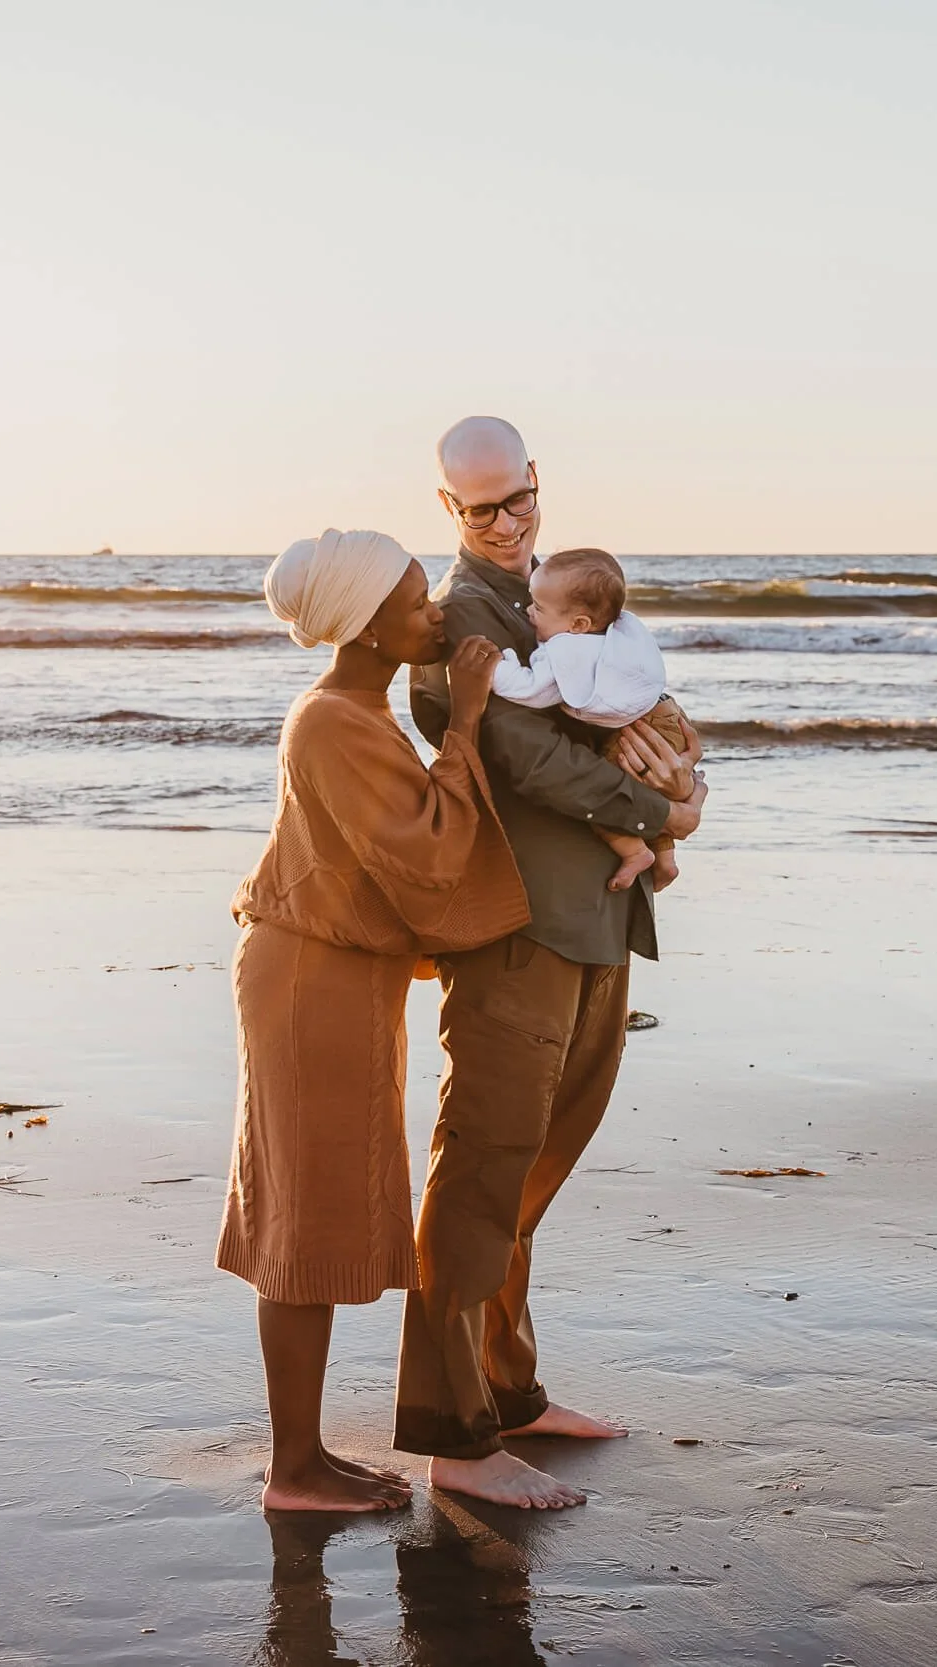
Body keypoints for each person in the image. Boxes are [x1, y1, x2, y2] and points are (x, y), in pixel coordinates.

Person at [398, 418, 708, 1510]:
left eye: (513, 497)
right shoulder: (456, 618)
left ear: (538, 484)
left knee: (533, 1175)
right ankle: (449, 1432)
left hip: (595, 920)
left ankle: (509, 1392)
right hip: (517, 927)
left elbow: (637, 707)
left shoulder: (568, 599)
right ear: (449, 509)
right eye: (476, 506)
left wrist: (676, 772)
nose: (500, 519)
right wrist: (653, 806)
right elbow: (515, 751)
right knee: (483, 1165)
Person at [218, 527, 529, 1513]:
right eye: (411, 600)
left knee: (313, 1208)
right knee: (303, 1219)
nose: (432, 611)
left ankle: (304, 1454)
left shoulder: (356, 709)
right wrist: (468, 722)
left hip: (336, 974)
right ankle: (293, 1469)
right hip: (313, 982)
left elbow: (398, 854)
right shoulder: (333, 723)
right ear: (363, 626)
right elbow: (429, 853)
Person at [488, 546, 702, 891]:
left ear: (579, 624)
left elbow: (529, 689)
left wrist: (497, 667)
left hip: (640, 730)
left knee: (609, 797)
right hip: (666, 715)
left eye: (538, 608)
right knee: (652, 788)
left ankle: (635, 852)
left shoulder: (568, 650)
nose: (529, 611)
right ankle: (666, 857)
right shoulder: (610, 634)